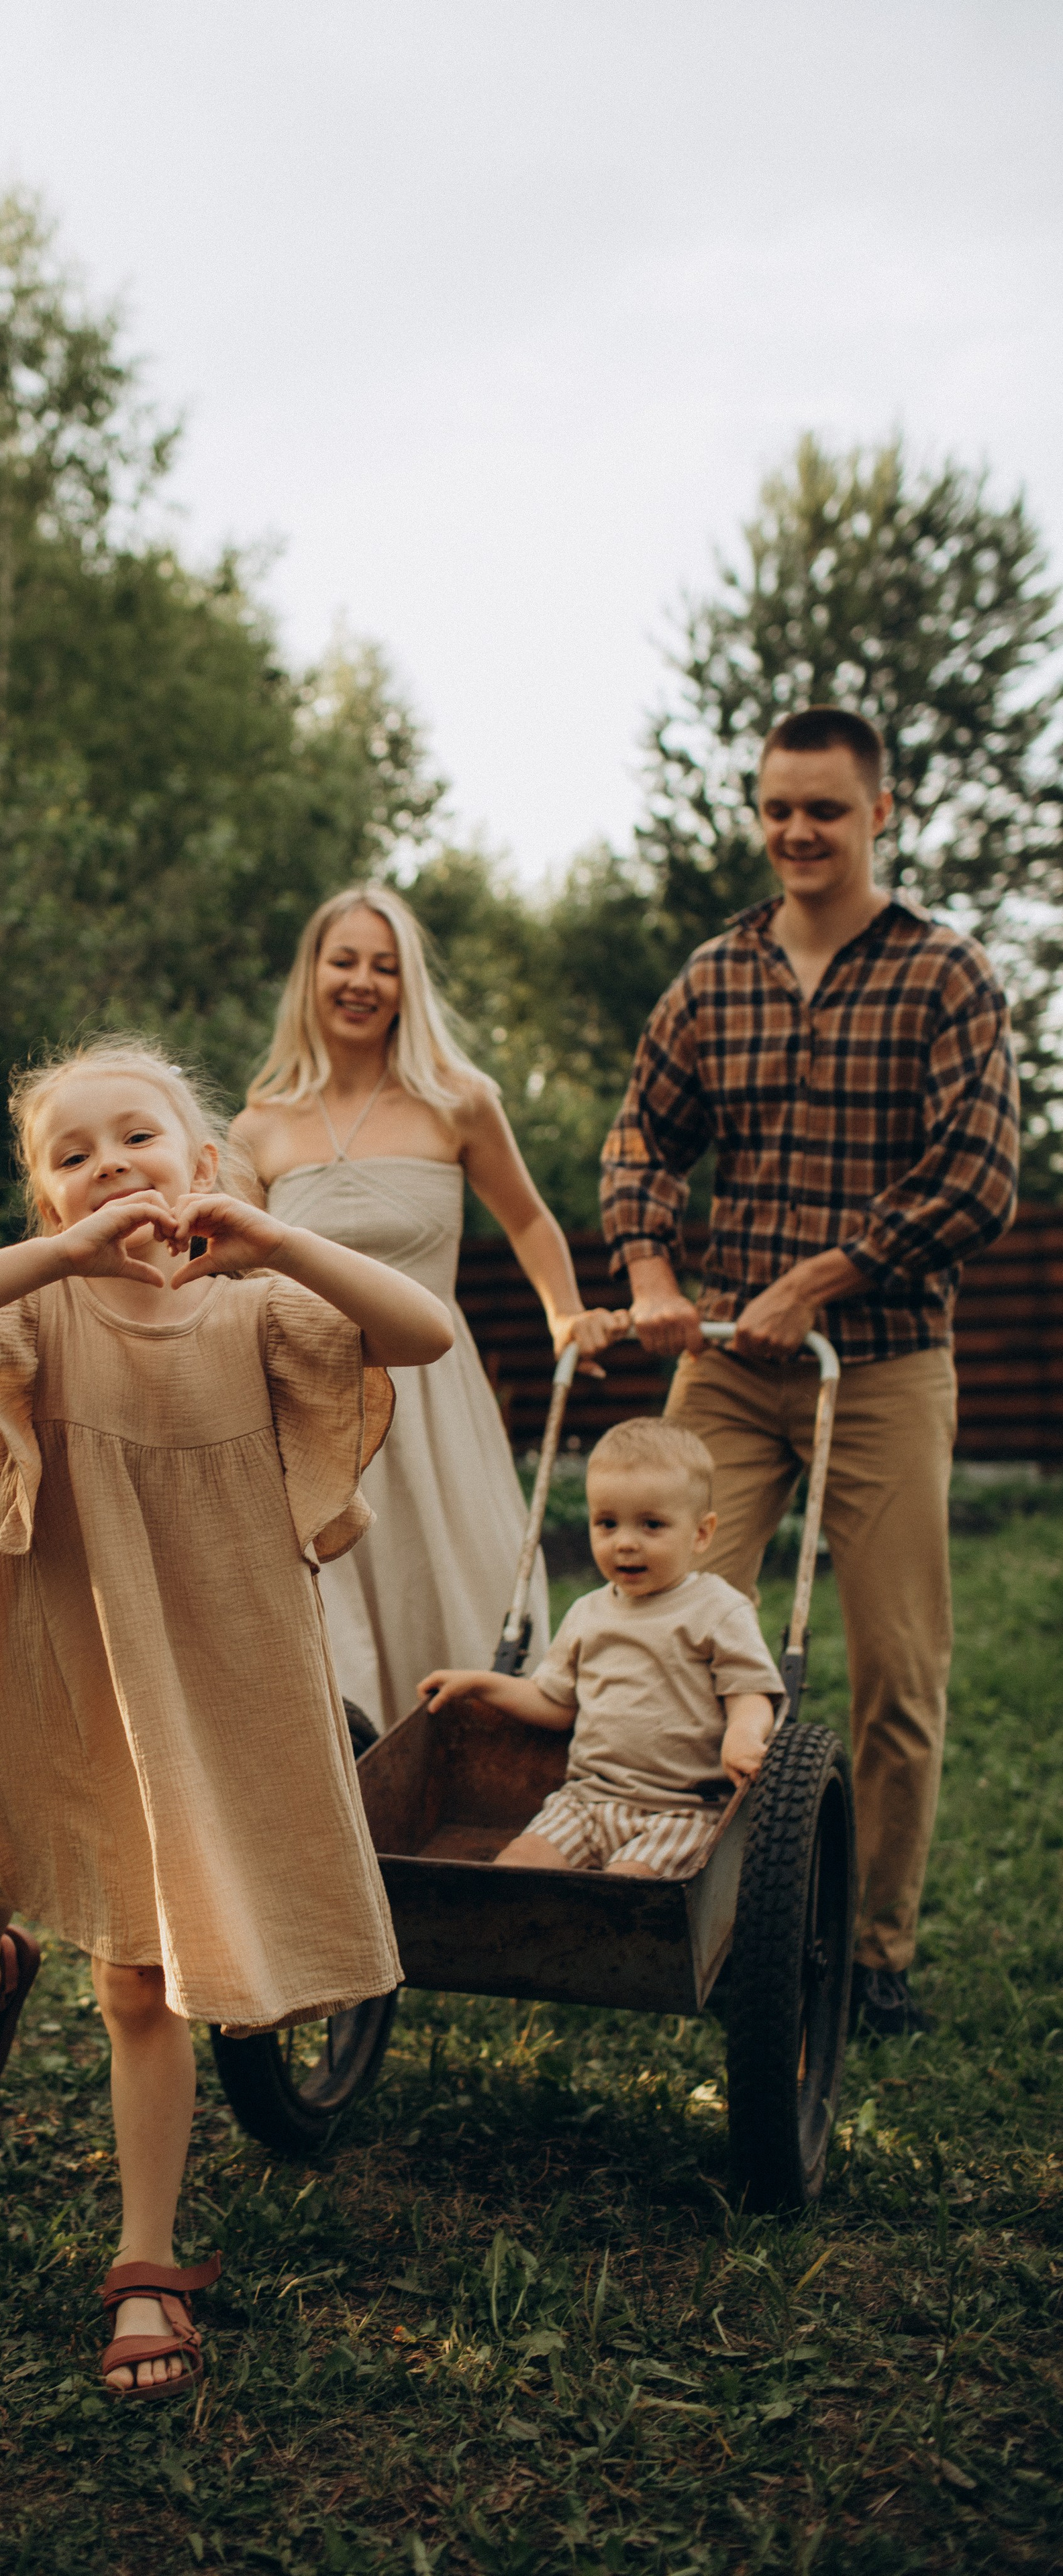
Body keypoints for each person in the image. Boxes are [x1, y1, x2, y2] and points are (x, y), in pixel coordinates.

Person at [0, 1040, 452, 2400]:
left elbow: (421, 1335)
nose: (108, 1165)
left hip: (210, 1669)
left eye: (138, 1138)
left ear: (200, 1164)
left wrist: (281, 1245)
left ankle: (142, 2262)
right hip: (51, 1653)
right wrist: (53, 1260)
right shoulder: (39, 1305)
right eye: (71, 1156)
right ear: (45, 1200)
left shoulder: (258, 1311)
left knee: (139, 1968)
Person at [601, 706, 1019, 2032]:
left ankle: (872, 1953)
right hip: (727, 1364)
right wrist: (651, 1276)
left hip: (884, 1364)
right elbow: (637, 1144)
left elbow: (976, 1175)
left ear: (876, 814)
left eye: (824, 810)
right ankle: (683, 1911)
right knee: (665, 1634)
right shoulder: (711, 978)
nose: (797, 831)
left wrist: (820, 1276)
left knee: (896, 1668)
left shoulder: (945, 976)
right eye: (777, 807)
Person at [225, 885, 622, 1733]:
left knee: (456, 1579)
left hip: (433, 1391)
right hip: (305, 1398)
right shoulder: (256, 1129)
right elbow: (219, 1269)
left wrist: (565, 1313)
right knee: (328, 1605)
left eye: (384, 965)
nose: (361, 981)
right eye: (344, 961)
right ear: (311, 977)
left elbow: (527, 1219)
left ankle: (475, 1765)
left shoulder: (458, 1100)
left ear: (408, 984)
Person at [417, 1419, 782, 1877]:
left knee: (622, 1893)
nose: (625, 1542)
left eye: (652, 1525)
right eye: (607, 1523)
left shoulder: (718, 1609)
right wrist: (482, 1684)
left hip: (681, 1809)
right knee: (514, 1869)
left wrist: (743, 1736)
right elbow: (556, 1703)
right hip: (588, 1801)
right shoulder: (588, 1613)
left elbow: (750, 1690)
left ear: (702, 1534)